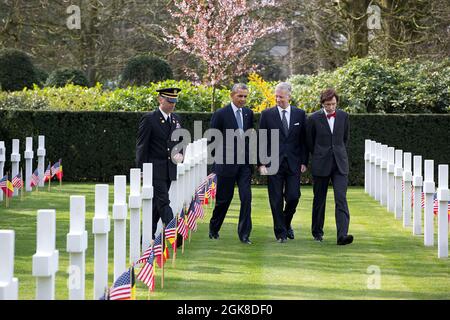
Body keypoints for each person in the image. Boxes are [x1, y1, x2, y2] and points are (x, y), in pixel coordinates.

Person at [258, 82, 308, 243]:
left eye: (281, 96)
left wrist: (304, 161)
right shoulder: (267, 115)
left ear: (289, 96)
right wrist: (261, 163)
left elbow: (304, 140)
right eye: (276, 96)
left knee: (293, 196)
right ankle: (280, 233)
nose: (278, 99)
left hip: (294, 162)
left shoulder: (300, 114)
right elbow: (261, 140)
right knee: (276, 199)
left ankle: (286, 223)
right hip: (273, 163)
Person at [306, 88, 353, 245]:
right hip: (321, 163)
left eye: (333, 104)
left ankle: (342, 235)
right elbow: (310, 142)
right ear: (322, 104)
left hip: (340, 164)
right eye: (327, 104)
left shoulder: (344, 116)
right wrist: (319, 154)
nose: (331, 107)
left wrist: (337, 152)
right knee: (319, 199)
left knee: (341, 198)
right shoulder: (313, 118)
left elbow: (344, 139)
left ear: (337, 103)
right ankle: (317, 232)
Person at [209, 83, 255, 244]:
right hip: (226, 165)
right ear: (231, 95)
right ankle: (214, 228)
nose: (243, 99)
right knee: (223, 200)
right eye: (239, 96)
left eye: (245, 96)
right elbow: (212, 140)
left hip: (244, 165)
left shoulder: (249, 113)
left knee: (246, 198)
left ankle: (244, 234)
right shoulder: (221, 114)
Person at [136, 87, 184, 239]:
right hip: (154, 169)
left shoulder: (176, 119)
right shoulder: (150, 118)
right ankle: (174, 234)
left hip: (169, 169)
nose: (172, 104)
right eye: (170, 100)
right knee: (163, 201)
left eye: (174, 101)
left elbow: (180, 141)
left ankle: (146, 237)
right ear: (160, 100)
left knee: (157, 206)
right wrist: (141, 170)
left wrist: (180, 154)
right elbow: (142, 146)